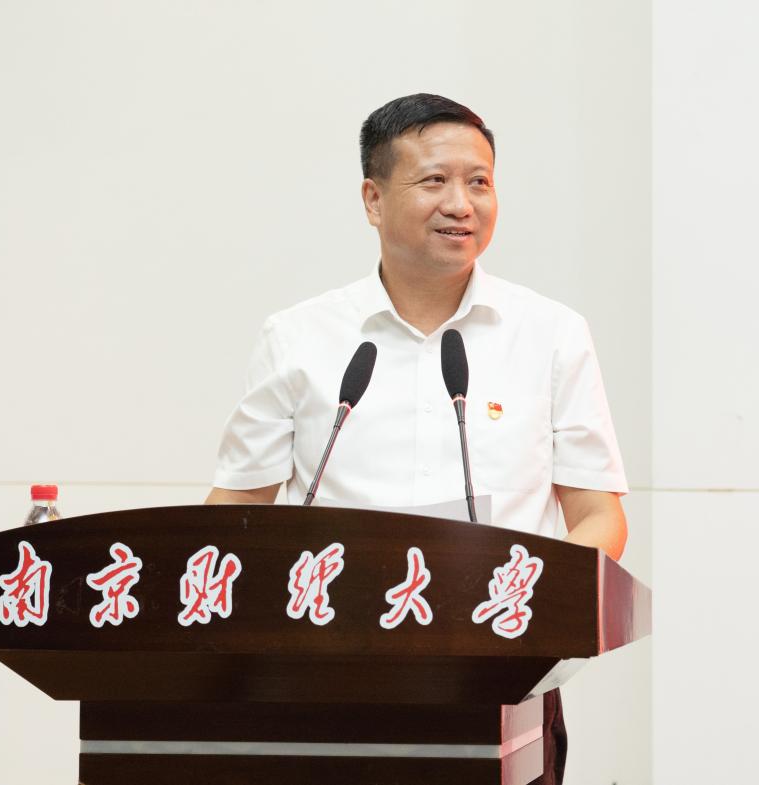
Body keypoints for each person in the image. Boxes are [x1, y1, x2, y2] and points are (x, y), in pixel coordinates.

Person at [205, 93, 628, 784]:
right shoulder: (299, 337)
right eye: (434, 180)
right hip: (328, 677)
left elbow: (598, 514)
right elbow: (234, 509)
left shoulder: (551, 334)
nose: (462, 203)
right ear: (373, 199)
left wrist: (533, 611)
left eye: (479, 181)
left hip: (504, 681)